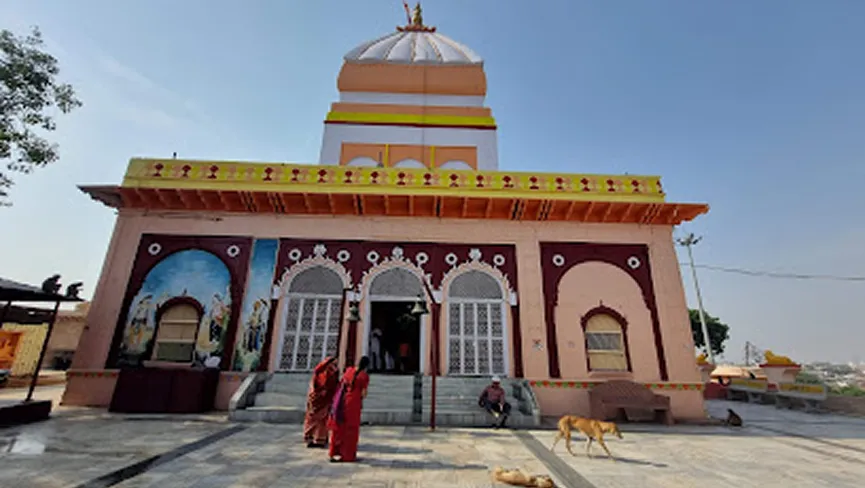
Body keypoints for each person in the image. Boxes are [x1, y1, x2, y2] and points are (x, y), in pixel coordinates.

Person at [328, 356, 371, 462]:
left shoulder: (349, 371)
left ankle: (334, 452)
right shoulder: (364, 376)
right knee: (351, 430)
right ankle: (348, 455)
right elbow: (363, 393)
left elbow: (342, 383)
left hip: (343, 401)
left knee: (339, 428)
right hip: (354, 404)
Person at [303, 356, 340, 448]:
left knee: (315, 418)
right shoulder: (326, 373)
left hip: (318, 398)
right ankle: (318, 438)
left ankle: (313, 437)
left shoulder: (319, 372)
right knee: (320, 419)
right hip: (321, 399)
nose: (335, 366)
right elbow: (327, 386)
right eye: (334, 364)